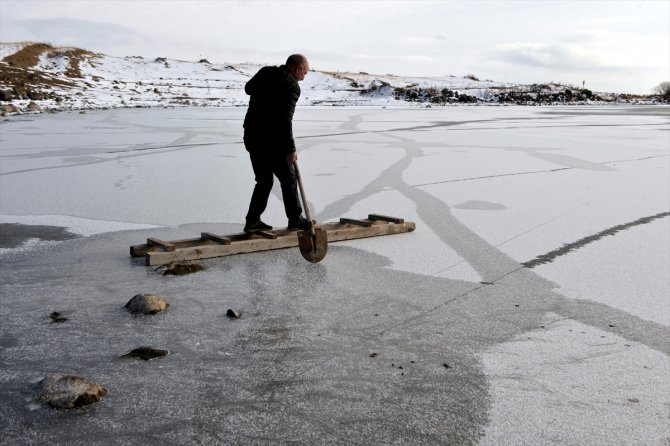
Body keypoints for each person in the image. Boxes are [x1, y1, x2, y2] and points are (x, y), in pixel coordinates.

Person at [242, 54, 311, 234]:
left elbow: (248, 88)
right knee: (289, 179)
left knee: (264, 181)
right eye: (304, 73)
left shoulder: (266, 72)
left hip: (252, 136)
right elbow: (285, 121)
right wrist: (291, 149)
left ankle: (252, 221)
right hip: (272, 142)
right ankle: (295, 219)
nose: (304, 77)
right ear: (296, 69)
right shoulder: (291, 87)